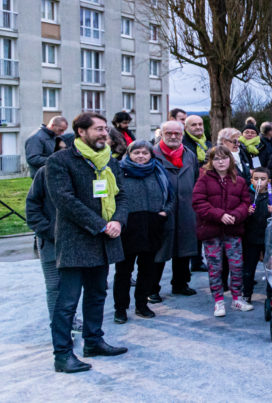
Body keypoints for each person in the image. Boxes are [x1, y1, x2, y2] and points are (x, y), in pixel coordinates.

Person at [44, 112, 129, 373]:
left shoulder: (110, 163)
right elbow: (65, 201)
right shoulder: (60, 161)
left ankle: (93, 341)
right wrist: (101, 225)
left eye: (105, 129)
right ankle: (62, 355)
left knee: (97, 295)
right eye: (99, 129)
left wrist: (117, 221)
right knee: (67, 301)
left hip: (104, 243)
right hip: (76, 242)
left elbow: (123, 195)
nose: (105, 134)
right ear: (81, 132)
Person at [113, 141, 172, 323]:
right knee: (124, 271)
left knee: (147, 270)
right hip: (127, 227)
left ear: (151, 155)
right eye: (136, 152)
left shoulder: (158, 171)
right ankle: (120, 309)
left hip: (152, 225)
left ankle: (142, 305)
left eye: (144, 153)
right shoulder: (119, 172)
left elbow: (170, 195)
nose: (140, 156)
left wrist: (165, 212)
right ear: (129, 154)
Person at [192, 145, 252, 316]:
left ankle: (236, 298)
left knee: (236, 265)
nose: (220, 162)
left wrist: (235, 215)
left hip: (233, 230)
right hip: (211, 231)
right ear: (211, 161)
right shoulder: (203, 179)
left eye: (224, 158)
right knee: (215, 266)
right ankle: (218, 300)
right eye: (216, 158)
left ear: (230, 159)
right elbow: (198, 202)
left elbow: (245, 202)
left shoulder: (238, 180)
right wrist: (219, 215)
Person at [26, 153, 81, 334]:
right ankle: (58, 328)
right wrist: (48, 231)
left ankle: (69, 320)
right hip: (51, 241)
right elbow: (32, 206)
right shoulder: (44, 173)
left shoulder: (82, 171)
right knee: (54, 286)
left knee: (72, 286)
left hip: (76, 241)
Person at [151, 120, 200, 299]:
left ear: (182, 134)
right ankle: (152, 289)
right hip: (162, 210)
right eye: (169, 133)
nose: (173, 136)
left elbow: (195, 179)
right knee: (159, 252)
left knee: (184, 249)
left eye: (177, 134)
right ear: (162, 134)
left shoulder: (189, 155)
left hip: (186, 209)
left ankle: (180, 284)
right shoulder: (152, 154)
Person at [242, 167, 272, 303]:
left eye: (263, 179)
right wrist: (246, 212)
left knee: (270, 269)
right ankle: (247, 294)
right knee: (249, 268)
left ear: (269, 181)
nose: (259, 182)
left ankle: (271, 296)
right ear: (251, 180)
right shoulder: (247, 195)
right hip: (251, 237)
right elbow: (241, 214)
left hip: (268, 239)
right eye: (256, 179)